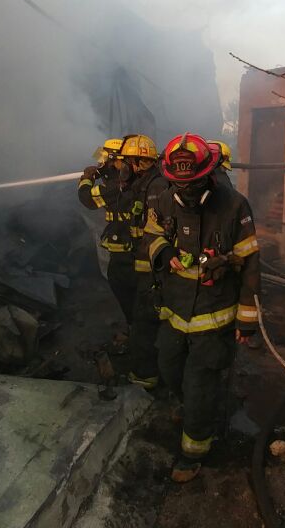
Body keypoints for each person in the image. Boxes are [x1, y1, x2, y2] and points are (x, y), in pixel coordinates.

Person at [144, 134, 261, 483]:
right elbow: (152, 237)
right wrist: (165, 254)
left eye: (192, 182)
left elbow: (251, 265)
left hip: (215, 316)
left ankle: (195, 451)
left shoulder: (234, 206)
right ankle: (196, 411)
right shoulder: (165, 200)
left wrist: (247, 320)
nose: (186, 189)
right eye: (178, 182)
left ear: (209, 173)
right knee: (169, 368)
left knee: (199, 384)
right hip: (174, 312)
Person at [118, 134, 167, 390]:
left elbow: (156, 231)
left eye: (127, 161)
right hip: (145, 265)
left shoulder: (156, 187)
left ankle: (146, 375)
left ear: (139, 162)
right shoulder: (143, 184)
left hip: (152, 269)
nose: (124, 166)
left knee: (145, 322)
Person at [77, 138, 137, 321]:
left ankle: (136, 329)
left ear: (117, 159)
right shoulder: (134, 176)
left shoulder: (117, 186)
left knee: (124, 286)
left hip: (126, 247)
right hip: (133, 245)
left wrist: (87, 179)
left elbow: (87, 198)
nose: (103, 164)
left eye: (106, 161)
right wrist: (101, 172)